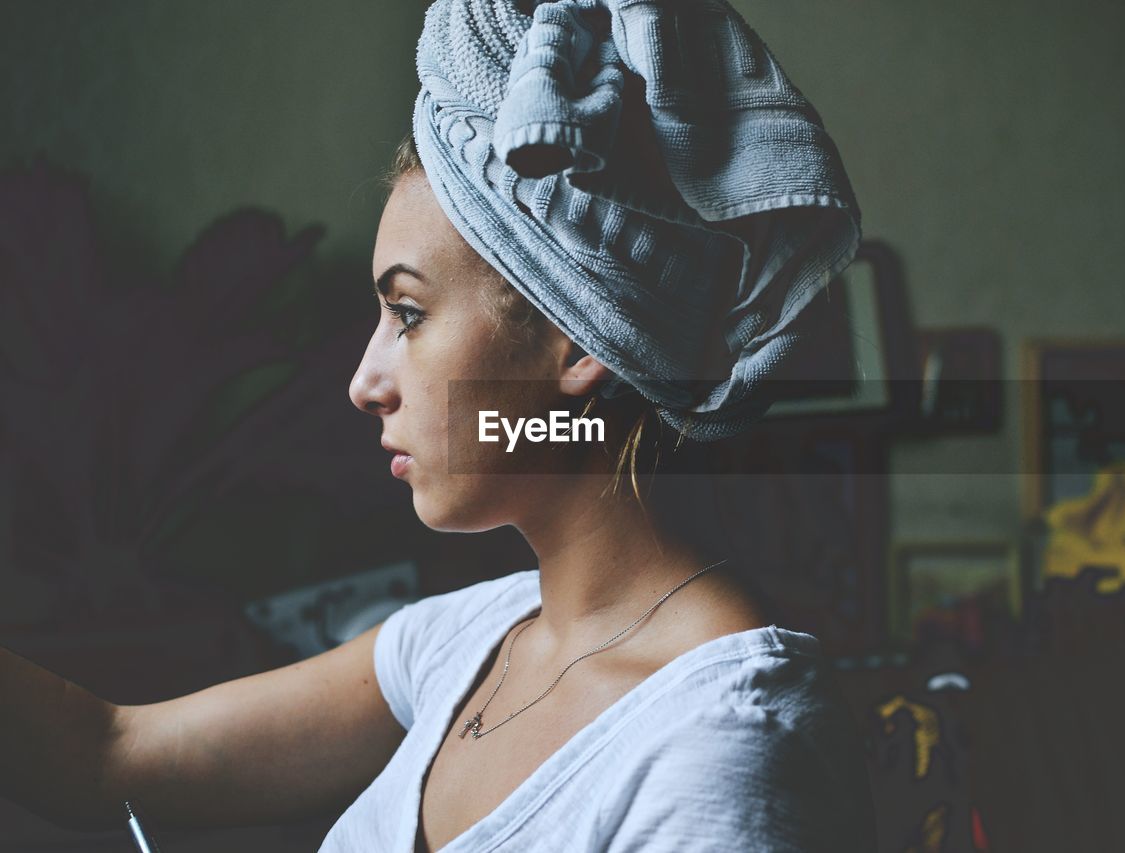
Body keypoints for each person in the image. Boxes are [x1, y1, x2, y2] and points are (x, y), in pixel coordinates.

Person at [1, 1, 876, 850]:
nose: (363, 382)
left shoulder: (721, 750)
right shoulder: (460, 642)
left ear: (575, 343)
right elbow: (104, 754)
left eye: (408, 314)